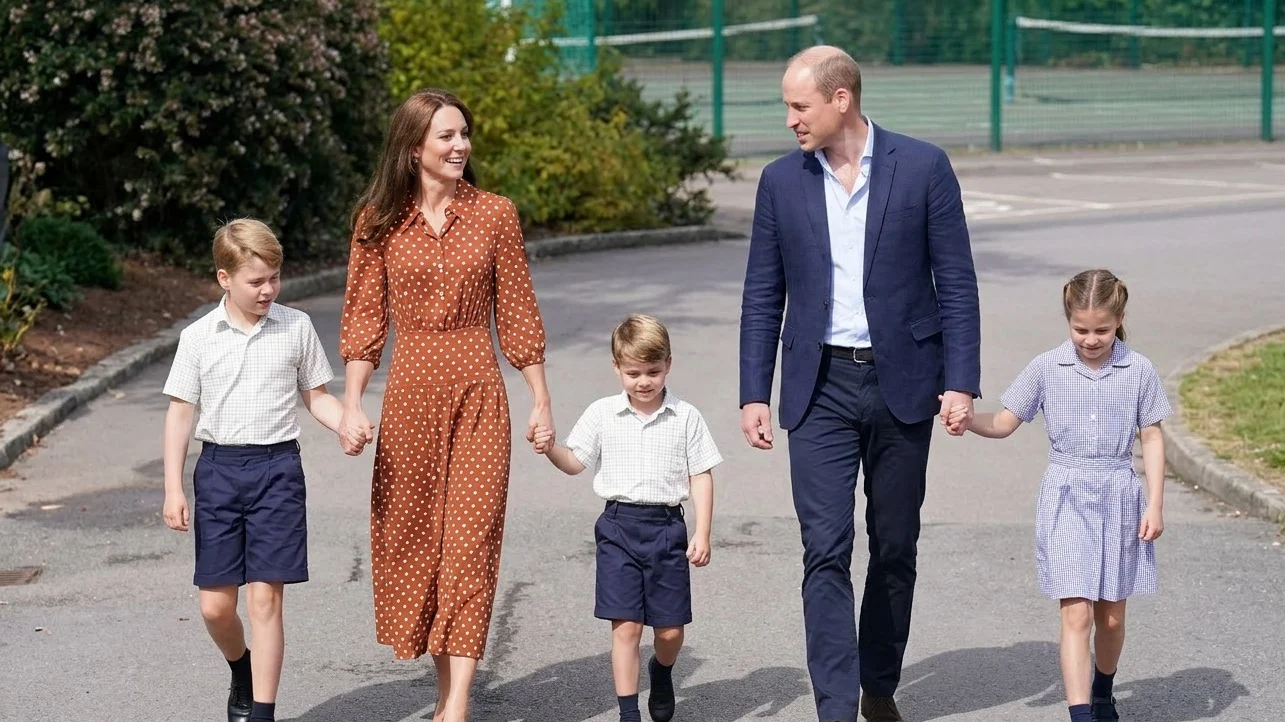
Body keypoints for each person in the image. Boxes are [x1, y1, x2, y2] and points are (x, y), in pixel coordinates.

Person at [738, 46, 981, 722]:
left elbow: (955, 283)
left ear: (839, 98)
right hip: (817, 389)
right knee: (824, 549)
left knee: (895, 544)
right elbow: (762, 295)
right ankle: (835, 708)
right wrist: (753, 392)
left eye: (797, 105)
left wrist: (960, 381)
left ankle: (878, 684)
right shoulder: (780, 182)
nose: (788, 119)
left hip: (903, 383)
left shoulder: (922, 167)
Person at [337, 88, 553, 722]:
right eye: (447, 137)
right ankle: (444, 692)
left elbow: (517, 313)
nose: (461, 146)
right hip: (408, 398)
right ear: (413, 149)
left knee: (469, 543)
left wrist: (541, 400)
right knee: (416, 544)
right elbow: (364, 322)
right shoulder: (377, 222)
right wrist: (352, 405)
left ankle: (455, 706)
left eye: (465, 135)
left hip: (479, 394)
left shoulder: (495, 215)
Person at [943, 269, 1169, 722]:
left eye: (1101, 330)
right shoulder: (1047, 367)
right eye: (1080, 329)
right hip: (1065, 497)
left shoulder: (1138, 369)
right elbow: (1007, 422)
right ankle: (1080, 713)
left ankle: (1103, 690)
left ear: (1120, 319)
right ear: (1068, 321)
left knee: (1110, 618)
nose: (1090, 339)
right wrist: (968, 421)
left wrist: (1155, 502)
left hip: (1119, 497)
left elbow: (1152, 437)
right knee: (1076, 615)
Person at [161, 218, 345, 722]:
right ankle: (240, 667)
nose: (268, 290)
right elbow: (180, 413)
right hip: (219, 471)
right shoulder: (198, 337)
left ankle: (262, 711)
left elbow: (318, 397)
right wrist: (172, 488)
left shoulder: (296, 326)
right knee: (216, 607)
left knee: (266, 601)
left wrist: (345, 423)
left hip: (277, 470)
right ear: (225, 279)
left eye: (274, 279)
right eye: (256, 281)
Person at [532, 314, 722, 722]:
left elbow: (701, 475)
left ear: (669, 364)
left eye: (653, 371)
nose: (643, 381)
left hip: (667, 529)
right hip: (618, 528)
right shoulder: (603, 414)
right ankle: (628, 713)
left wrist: (702, 532)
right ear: (616, 367)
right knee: (626, 628)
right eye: (633, 372)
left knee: (669, 632)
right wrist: (549, 448)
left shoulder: (685, 416)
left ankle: (663, 669)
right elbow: (574, 462)